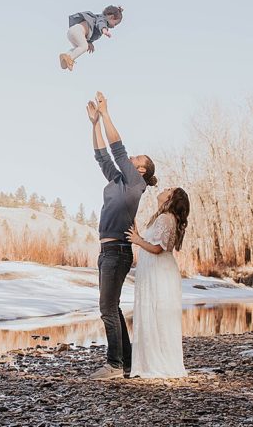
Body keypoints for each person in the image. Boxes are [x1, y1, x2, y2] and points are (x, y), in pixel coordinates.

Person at [86, 91, 157, 380]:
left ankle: (114, 365)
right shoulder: (118, 180)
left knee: (106, 308)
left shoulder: (136, 182)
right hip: (108, 251)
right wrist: (94, 124)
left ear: (141, 169)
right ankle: (126, 364)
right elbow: (102, 155)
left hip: (117, 251)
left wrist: (106, 114)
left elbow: (117, 148)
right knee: (111, 307)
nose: (131, 156)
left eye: (137, 158)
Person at [126, 187, 190, 379]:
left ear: (170, 198)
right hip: (156, 269)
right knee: (154, 314)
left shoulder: (165, 218)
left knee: (157, 315)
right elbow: (150, 241)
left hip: (159, 270)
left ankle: (157, 364)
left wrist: (137, 241)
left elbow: (157, 248)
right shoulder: (163, 218)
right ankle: (151, 361)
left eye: (169, 189)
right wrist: (136, 231)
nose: (164, 189)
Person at [59, 6, 123, 71]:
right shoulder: (102, 19)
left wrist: (89, 42)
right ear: (111, 17)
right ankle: (70, 58)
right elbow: (101, 23)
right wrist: (104, 30)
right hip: (78, 31)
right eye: (115, 24)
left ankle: (66, 56)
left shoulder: (96, 19)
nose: (114, 26)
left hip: (72, 31)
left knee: (78, 48)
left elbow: (91, 31)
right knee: (84, 47)